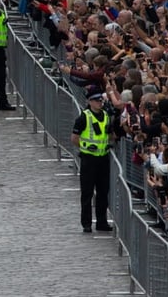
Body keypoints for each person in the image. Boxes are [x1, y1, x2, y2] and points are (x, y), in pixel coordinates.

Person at [70, 86, 120, 233]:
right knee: (87, 192)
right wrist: (85, 148)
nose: (99, 102)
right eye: (96, 100)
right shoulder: (84, 117)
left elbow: (111, 135)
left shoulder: (105, 115)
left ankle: (101, 222)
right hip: (88, 159)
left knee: (103, 192)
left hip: (103, 158)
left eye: (100, 100)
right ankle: (86, 223)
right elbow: (74, 138)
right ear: (90, 101)